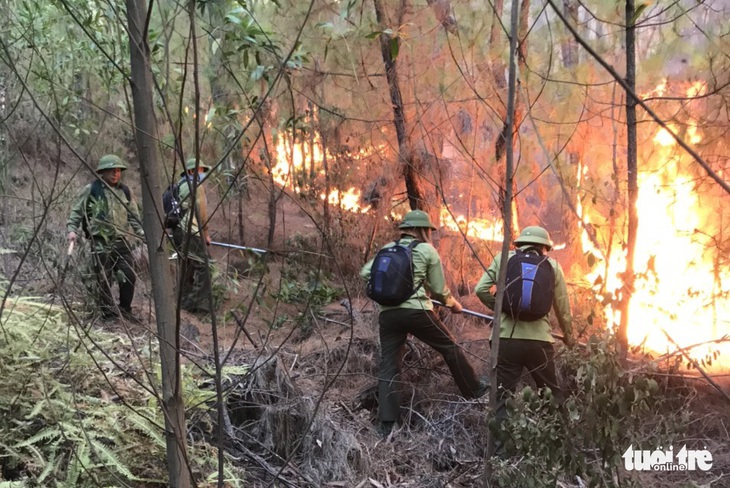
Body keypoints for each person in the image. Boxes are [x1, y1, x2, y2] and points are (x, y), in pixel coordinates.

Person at [361, 209, 488, 437]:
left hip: (388, 315)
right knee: (449, 347)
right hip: (417, 311)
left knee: (389, 365)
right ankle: (474, 390)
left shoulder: (387, 249)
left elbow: (365, 273)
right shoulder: (426, 250)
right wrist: (453, 304)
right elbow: (440, 291)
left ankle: (387, 424)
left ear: (404, 231)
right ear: (423, 230)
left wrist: (392, 285)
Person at [474, 226, 573, 451]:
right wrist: (569, 336)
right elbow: (563, 308)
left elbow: (480, 289)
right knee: (550, 394)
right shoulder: (553, 266)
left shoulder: (504, 259)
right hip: (540, 342)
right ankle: (559, 448)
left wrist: (501, 309)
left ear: (519, 244)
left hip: (506, 339)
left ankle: (500, 455)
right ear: (544, 247)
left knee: (502, 397)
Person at [67, 154, 145, 320]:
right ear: (103, 172)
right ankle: (108, 313)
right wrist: (72, 229)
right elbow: (77, 210)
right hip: (100, 240)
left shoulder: (125, 191)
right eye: (111, 171)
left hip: (121, 240)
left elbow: (133, 216)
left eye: (118, 171)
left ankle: (125, 309)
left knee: (128, 275)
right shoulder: (92, 189)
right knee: (103, 277)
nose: (115, 174)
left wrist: (142, 234)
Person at [171, 157, 214, 314]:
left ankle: (182, 299)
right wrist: (206, 234)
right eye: (201, 170)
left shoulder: (180, 186)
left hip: (178, 232)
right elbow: (201, 214)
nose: (203, 173)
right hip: (191, 231)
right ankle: (191, 304)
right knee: (206, 266)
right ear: (191, 172)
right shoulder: (196, 187)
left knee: (188, 265)